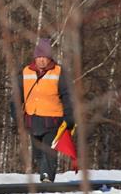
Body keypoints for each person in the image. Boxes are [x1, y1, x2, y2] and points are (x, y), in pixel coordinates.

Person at [12, 38, 74, 183]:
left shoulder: (59, 72)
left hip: (53, 120)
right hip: (32, 120)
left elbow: (67, 96)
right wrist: (15, 113)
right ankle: (44, 175)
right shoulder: (26, 72)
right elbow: (17, 95)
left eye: (44, 57)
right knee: (38, 153)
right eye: (38, 57)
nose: (41, 60)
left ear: (49, 57)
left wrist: (70, 116)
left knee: (49, 150)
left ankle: (47, 178)